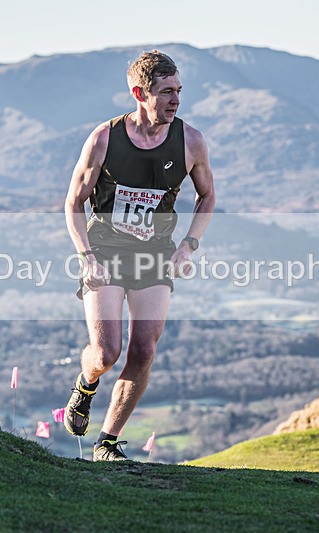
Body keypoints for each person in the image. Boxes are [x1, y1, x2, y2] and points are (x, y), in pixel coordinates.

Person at [62, 50, 216, 461]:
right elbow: (74, 202)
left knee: (144, 350)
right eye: (166, 92)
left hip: (154, 255)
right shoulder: (104, 138)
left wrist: (190, 244)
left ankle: (107, 442)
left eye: (179, 90)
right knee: (106, 352)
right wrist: (86, 256)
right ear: (139, 93)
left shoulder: (191, 141)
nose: (175, 100)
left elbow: (207, 196)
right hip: (105, 251)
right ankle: (86, 382)